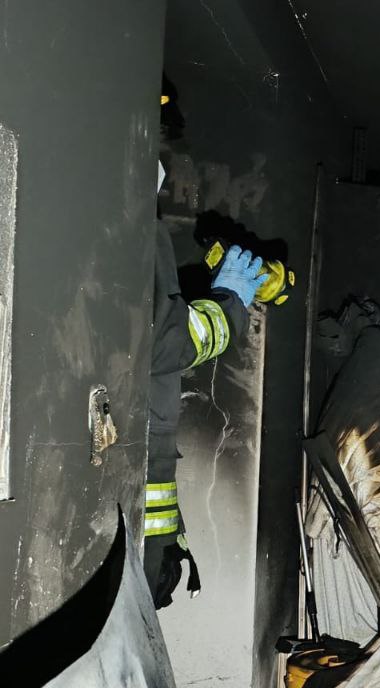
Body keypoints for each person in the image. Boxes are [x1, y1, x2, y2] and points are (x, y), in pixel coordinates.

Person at [146, 165, 266, 605]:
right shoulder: (126, 223)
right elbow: (163, 342)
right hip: (130, 465)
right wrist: (230, 302)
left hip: (136, 462)